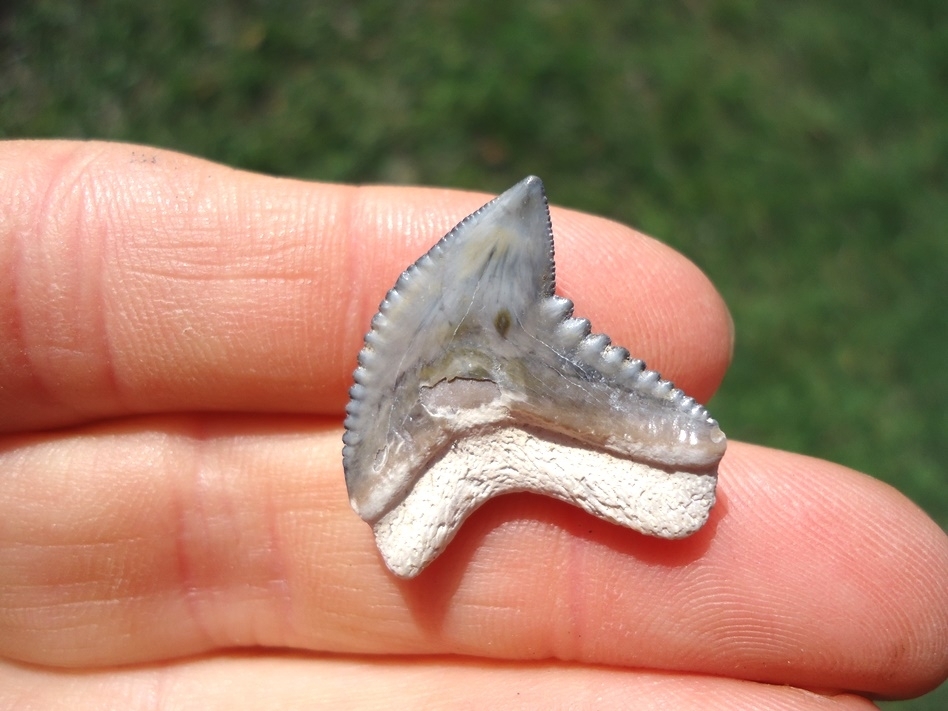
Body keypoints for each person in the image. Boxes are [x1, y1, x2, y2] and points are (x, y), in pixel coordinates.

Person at [0, 140, 945, 708]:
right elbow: (398, 516)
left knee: (682, 452)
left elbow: (687, 454)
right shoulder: (419, 433)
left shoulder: (520, 376)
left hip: (478, 414)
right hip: (423, 439)